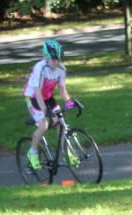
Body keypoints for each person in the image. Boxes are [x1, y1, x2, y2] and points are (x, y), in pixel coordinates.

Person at [23, 39, 76, 170]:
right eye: (53, 59)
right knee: (43, 125)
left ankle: (66, 153)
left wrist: (70, 102)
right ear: (46, 57)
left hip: (47, 97)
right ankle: (33, 152)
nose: (56, 62)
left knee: (61, 123)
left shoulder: (61, 69)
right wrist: (44, 111)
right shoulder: (39, 68)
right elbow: (37, 92)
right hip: (34, 97)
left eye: (59, 59)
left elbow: (63, 91)